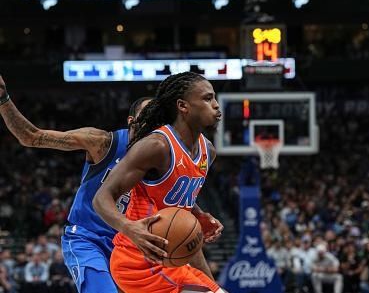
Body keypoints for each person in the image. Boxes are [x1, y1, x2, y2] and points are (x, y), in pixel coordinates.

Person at [0, 75, 223, 293]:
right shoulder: (103, 143)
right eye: (148, 116)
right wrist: (3, 99)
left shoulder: (164, 152)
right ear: (131, 121)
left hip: (135, 245)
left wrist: (197, 213)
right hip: (90, 238)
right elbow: (32, 136)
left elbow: (173, 200)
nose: (155, 123)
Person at [93, 71, 225, 293]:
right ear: (183, 106)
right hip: (138, 261)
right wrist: (129, 227)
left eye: (214, 98)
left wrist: (198, 214)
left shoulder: (207, 151)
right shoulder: (157, 146)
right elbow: (101, 198)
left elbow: (173, 198)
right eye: (207, 98)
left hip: (169, 258)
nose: (216, 105)